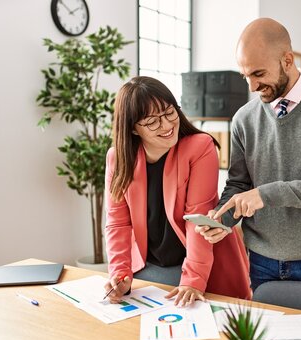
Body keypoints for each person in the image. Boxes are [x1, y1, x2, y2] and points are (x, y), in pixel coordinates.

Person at [197, 18, 301, 291]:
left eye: (259, 74)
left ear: (287, 60)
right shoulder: (243, 119)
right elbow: (239, 184)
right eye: (245, 76)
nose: (251, 87)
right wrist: (222, 219)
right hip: (261, 262)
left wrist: (265, 194)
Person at [104, 76, 251, 306]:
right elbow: (118, 223)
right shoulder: (118, 158)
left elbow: (197, 219)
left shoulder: (200, 146)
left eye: (169, 112)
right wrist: (120, 273)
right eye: (152, 121)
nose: (166, 125)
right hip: (152, 268)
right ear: (133, 128)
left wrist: (192, 280)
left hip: (204, 266)